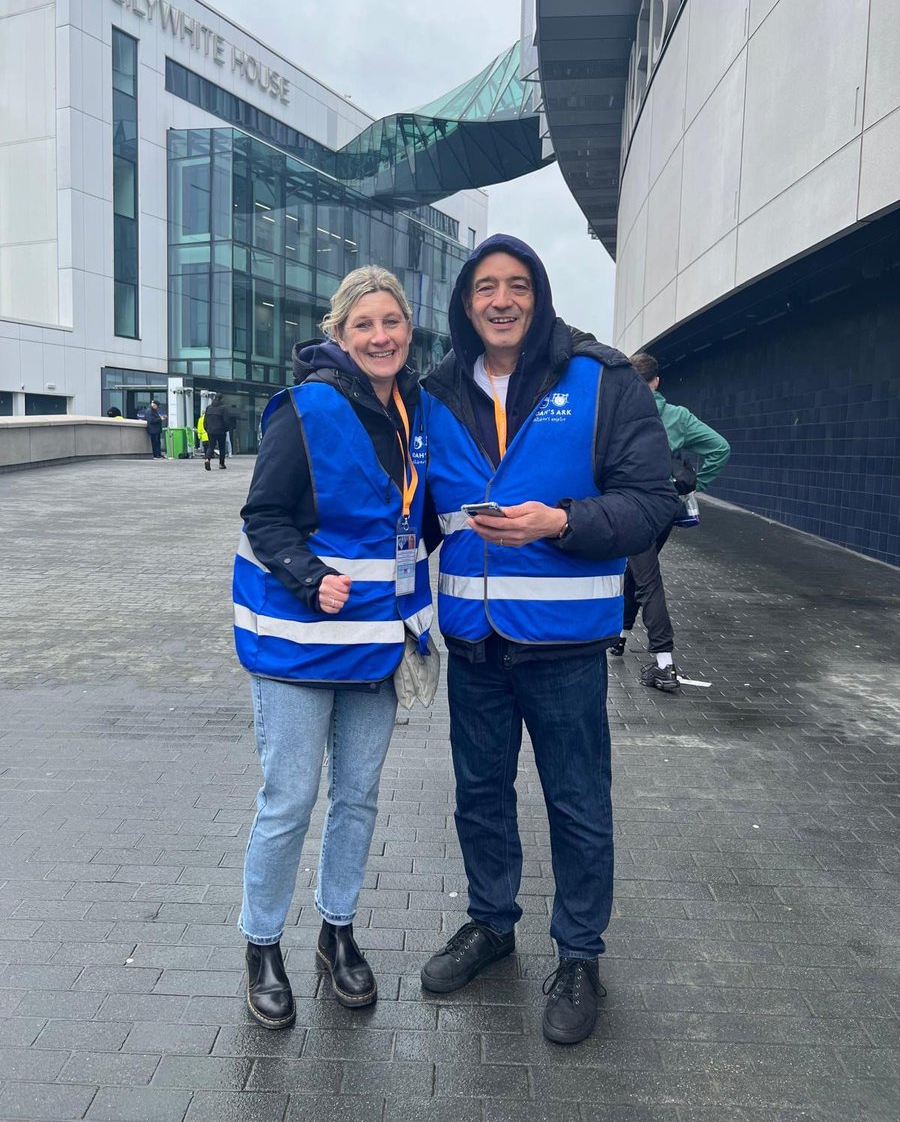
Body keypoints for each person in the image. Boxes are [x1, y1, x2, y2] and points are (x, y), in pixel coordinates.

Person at [420, 235, 677, 1045]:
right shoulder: (433, 393)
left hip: (565, 649)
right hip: (475, 647)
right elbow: (409, 509)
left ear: (540, 295)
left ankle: (578, 955)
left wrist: (561, 521)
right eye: (485, 287)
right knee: (480, 801)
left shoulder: (603, 381)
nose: (502, 299)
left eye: (517, 285)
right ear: (466, 303)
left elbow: (651, 504)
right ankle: (492, 926)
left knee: (577, 806)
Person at [232, 266, 433, 1029]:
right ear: (338, 333)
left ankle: (337, 933)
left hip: (376, 645)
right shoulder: (306, 407)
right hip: (299, 645)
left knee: (357, 797)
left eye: (392, 323)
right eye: (364, 325)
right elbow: (265, 515)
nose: (380, 337)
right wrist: (309, 576)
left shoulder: (413, 411)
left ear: (407, 330)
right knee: (288, 800)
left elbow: (413, 520)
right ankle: (262, 945)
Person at [610, 352, 731, 692]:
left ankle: (664, 662)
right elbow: (720, 448)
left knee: (646, 576)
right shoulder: (677, 417)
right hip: (663, 508)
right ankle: (619, 637)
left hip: (631, 506)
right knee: (637, 570)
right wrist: (691, 488)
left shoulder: (619, 411)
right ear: (657, 381)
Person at [203, 393, 232, 469]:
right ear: (222, 399)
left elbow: (205, 420)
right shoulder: (224, 408)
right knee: (222, 447)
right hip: (221, 431)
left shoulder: (208, 408)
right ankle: (221, 464)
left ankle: (207, 459)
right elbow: (226, 421)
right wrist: (226, 429)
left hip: (210, 431)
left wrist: (207, 428)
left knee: (211, 446)